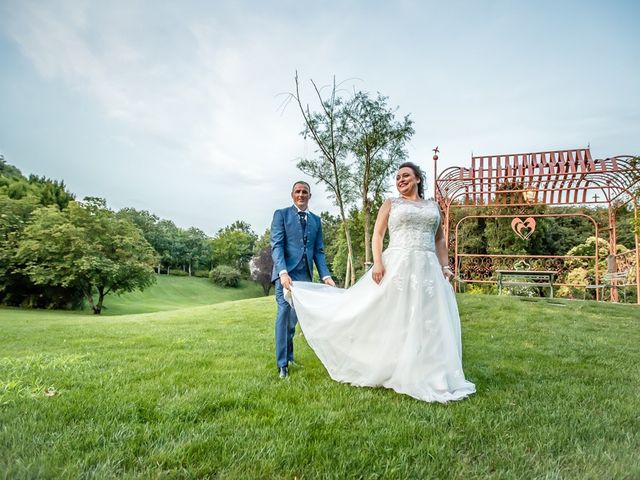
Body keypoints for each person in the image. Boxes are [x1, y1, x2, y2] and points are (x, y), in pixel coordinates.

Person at [288, 162, 476, 402]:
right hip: (397, 263)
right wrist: (378, 262)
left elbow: (439, 240)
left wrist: (445, 267)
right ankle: (390, 363)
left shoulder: (433, 206)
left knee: (428, 319)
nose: (400, 180)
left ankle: (429, 369)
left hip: (428, 269)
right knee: (388, 314)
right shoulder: (391, 203)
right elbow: (377, 234)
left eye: (406, 175)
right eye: (397, 177)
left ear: (418, 179)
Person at [271, 180, 335, 379]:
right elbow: (277, 245)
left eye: (304, 192)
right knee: (283, 315)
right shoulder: (281, 215)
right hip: (286, 275)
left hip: (304, 277)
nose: (301, 195)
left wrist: (325, 275)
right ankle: (282, 365)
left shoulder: (316, 220)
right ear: (292, 195)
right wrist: (282, 272)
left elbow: (318, 251)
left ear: (309, 195)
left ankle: (289, 356)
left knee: (293, 321)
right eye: (297, 191)